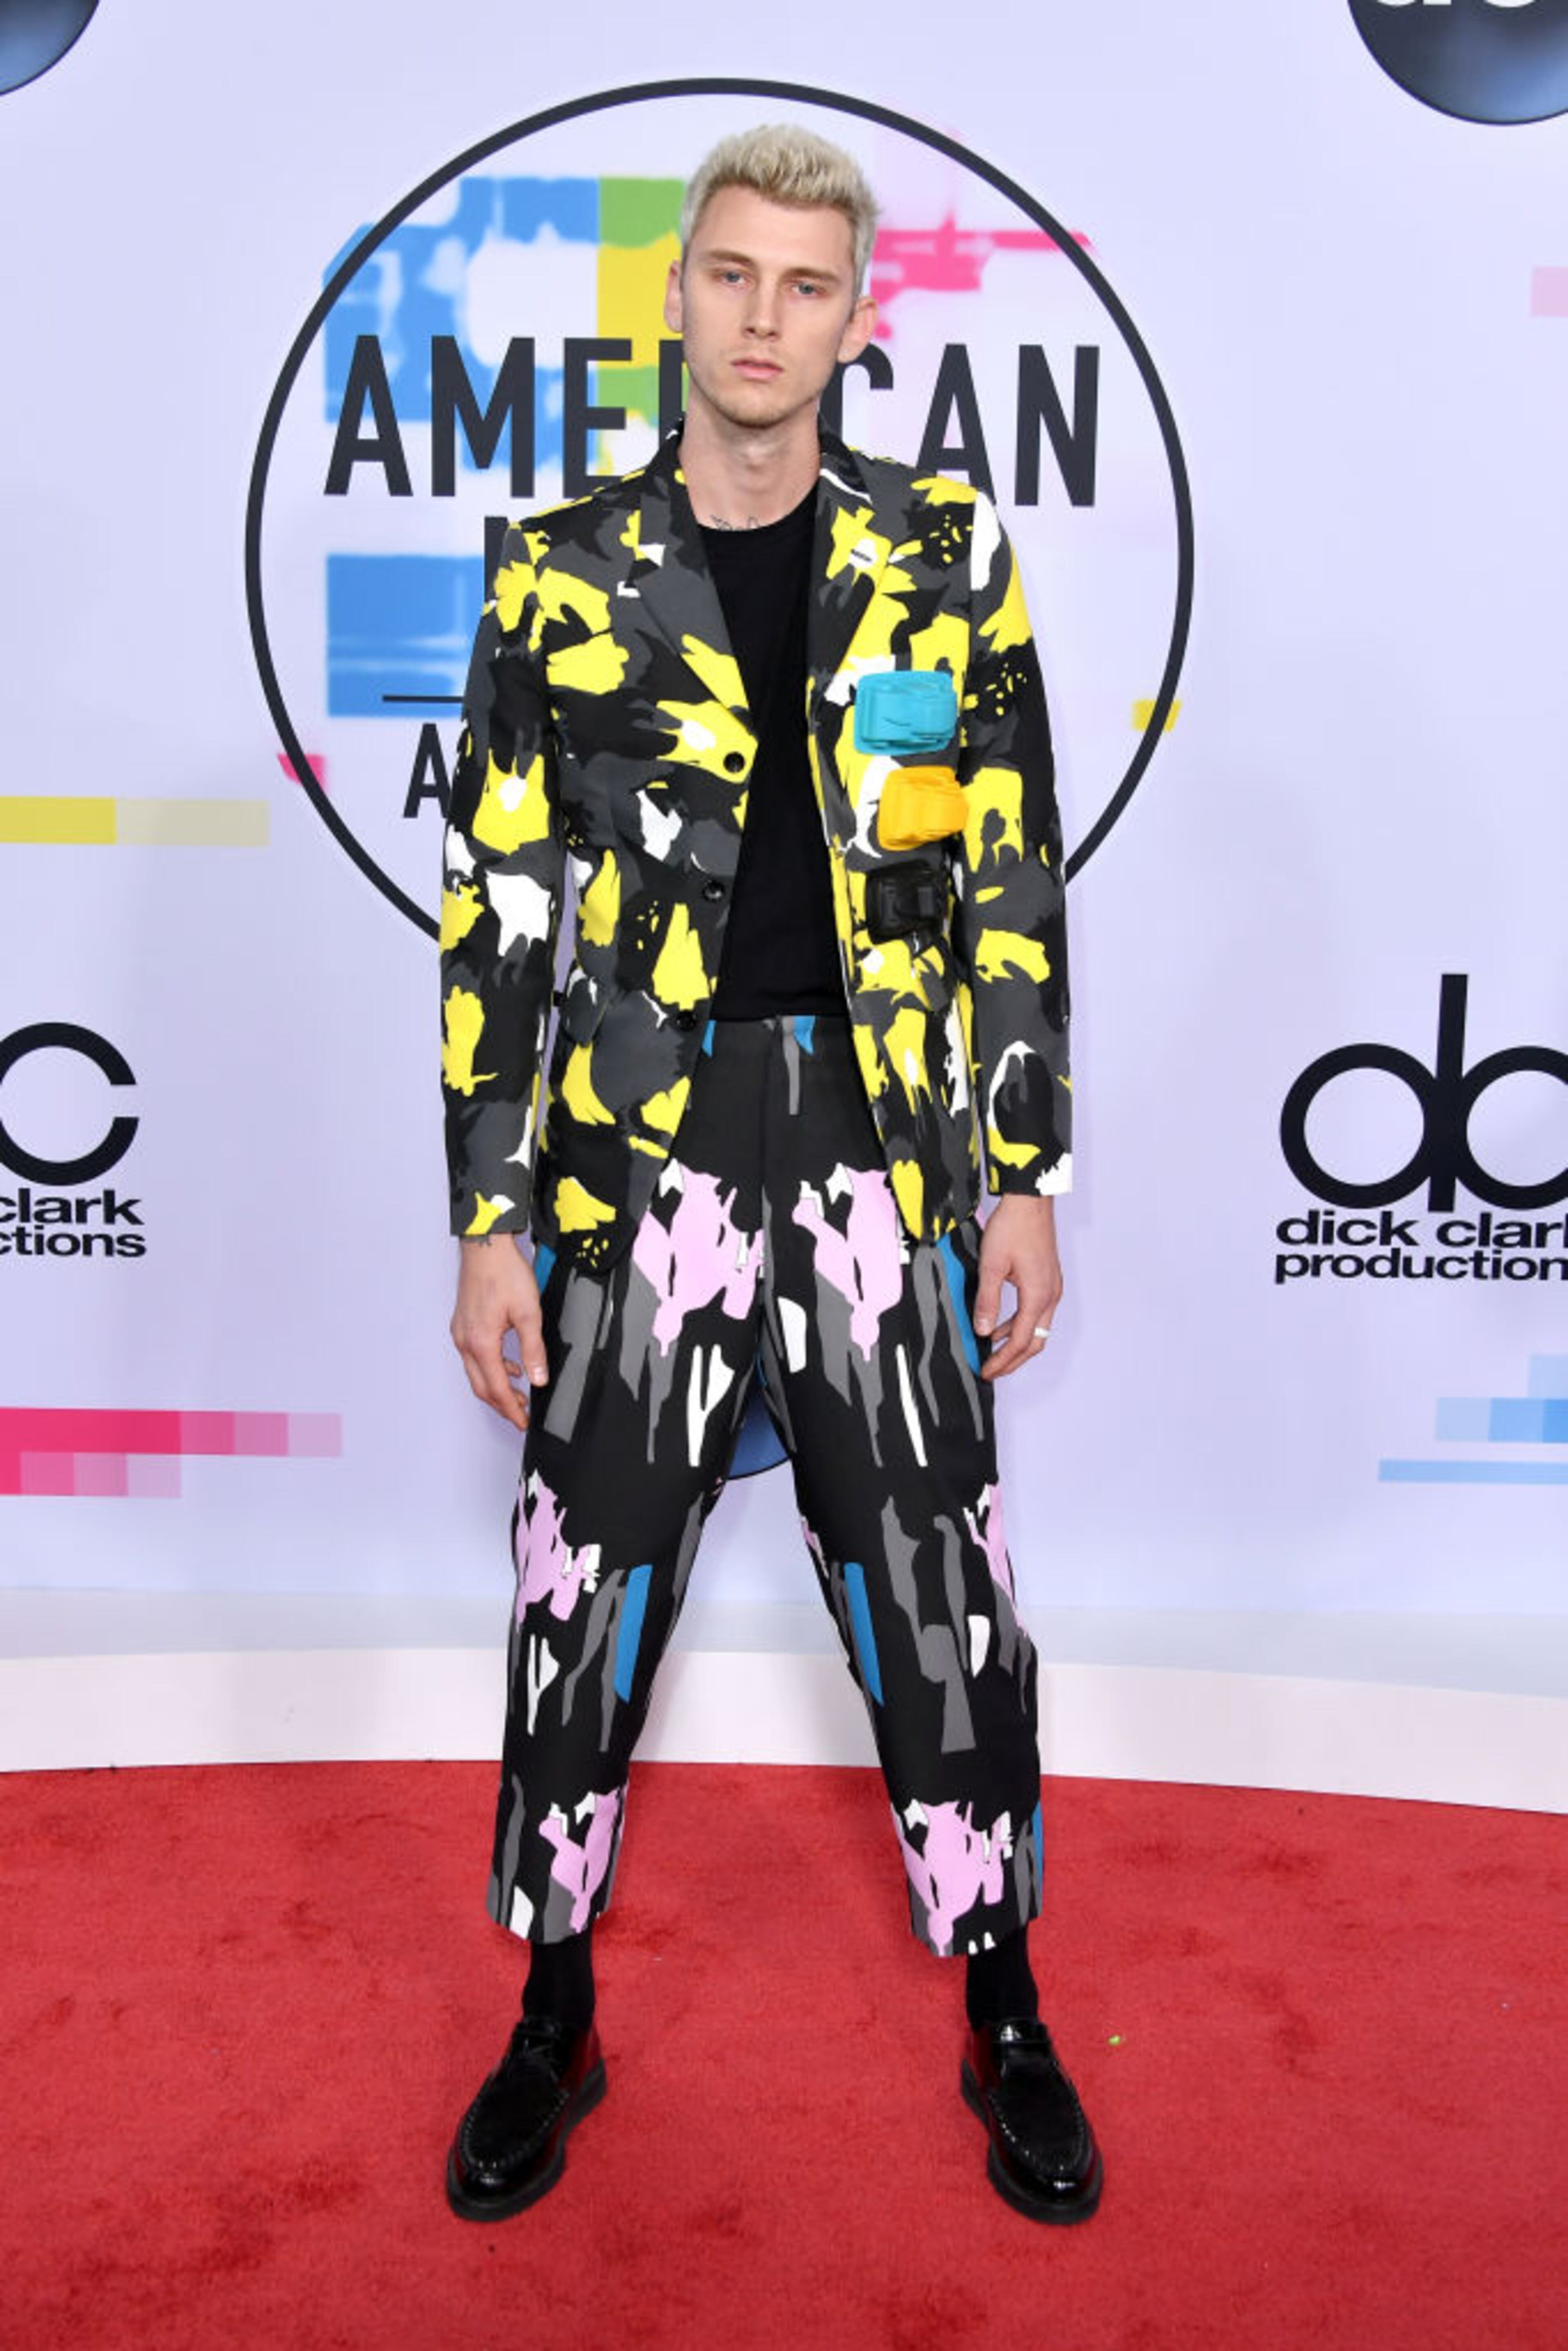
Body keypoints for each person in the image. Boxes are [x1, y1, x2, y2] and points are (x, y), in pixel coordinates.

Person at [438, 122, 1100, 2226]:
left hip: (886, 1148)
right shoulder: (556, 563)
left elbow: (1006, 875)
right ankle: (554, 2012)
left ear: (853, 318)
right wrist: (489, 1216)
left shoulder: (944, 554)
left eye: (805, 287)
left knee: (942, 1587)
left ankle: (1006, 2002)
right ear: (678, 293)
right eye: (730, 275)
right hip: (646, 1151)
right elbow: (501, 912)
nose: (761, 315)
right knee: (582, 1577)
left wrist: (1024, 1172)